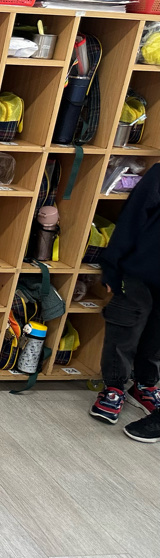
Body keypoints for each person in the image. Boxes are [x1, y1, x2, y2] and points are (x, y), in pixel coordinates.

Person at [90, 163, 160, 443]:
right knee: (125, 328)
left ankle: (145, 385)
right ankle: (114, 387)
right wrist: (112, 267)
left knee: (156, 337)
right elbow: (132, 219)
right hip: (139, 272)